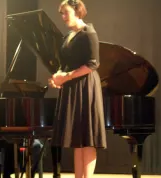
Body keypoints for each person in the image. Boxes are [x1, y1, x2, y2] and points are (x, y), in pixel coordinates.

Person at [48, 1, 107, 178]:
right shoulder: (68, 36)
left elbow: (92, 64)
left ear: (77, 11)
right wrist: (57, 77)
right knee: (77, 138)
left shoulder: (88, 33)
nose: (63, 17)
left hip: (86, 87)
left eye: (66, 13)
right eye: (61, 14)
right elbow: (64, 64)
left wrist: (65, 77)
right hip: (72, 86)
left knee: (87, 138)